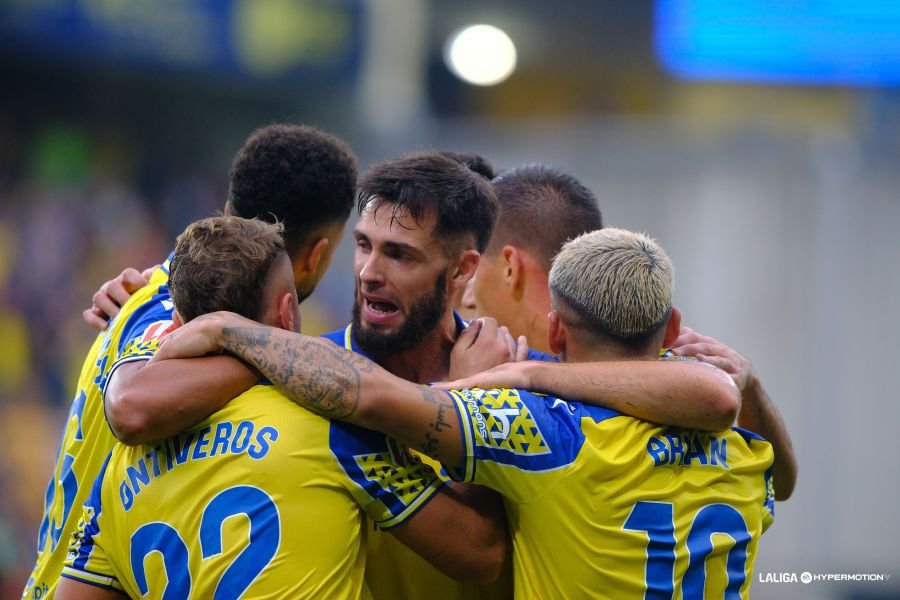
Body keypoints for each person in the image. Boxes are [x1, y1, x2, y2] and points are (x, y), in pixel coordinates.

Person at [153, 227, 775, 598]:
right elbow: (742, 422)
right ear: (670, 326)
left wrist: (235, 332)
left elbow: (367, 395)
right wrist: (752, 388)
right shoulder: (749, 456)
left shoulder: (548, 434)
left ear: (554, 332)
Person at [55, 216, 506, 599]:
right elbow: (480, 553)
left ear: (176, 324)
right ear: (288, 315)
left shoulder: (117, 469)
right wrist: (477, 395)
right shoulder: (333, 424)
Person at [23, 123, 358, 600]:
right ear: (320, 253)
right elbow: (133, 407)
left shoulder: (175, 298)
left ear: (226, 210)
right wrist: (285, 351)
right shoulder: (166, 302)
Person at [462, 164, 797, 500]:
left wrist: (526, 375)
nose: (467, 293)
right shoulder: (675, 374)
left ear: (509, 267)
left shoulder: (681, 384)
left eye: (476, 269)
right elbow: (777, 484)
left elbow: (769, 472)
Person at [460, 164, 603, 352]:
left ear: (510, 269)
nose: (467, 299)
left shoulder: (475, 377)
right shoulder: (648, 354)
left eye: (476, 270)